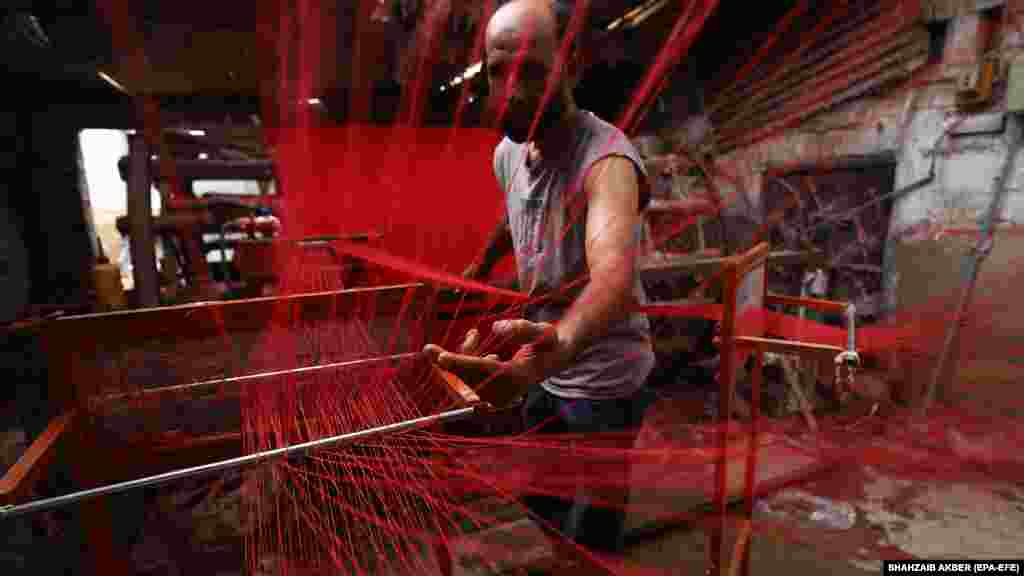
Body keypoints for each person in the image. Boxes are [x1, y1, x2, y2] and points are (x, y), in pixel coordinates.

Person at [423, 0, 715, 555]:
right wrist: (478, 268)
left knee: (596, 523)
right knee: (540, 495)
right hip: (543, 364)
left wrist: (551, 350)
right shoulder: (507, 154)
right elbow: (515, 213)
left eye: (532, 72)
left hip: (603, 379)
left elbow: (611, 277)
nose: (511, 91)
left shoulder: (607, 162)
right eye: (498, 72)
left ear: (571, 65)